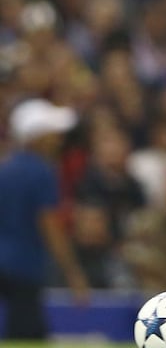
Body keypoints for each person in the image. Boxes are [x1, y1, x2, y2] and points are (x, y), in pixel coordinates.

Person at [0, 98, 89, 339]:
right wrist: (74, 274)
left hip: (7, 265)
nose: (59, 139)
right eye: (52, 133)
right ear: (36, 137)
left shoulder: (5, 167)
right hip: (24, 267)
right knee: (27, 336)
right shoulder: (42, 171)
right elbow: (50, 225)